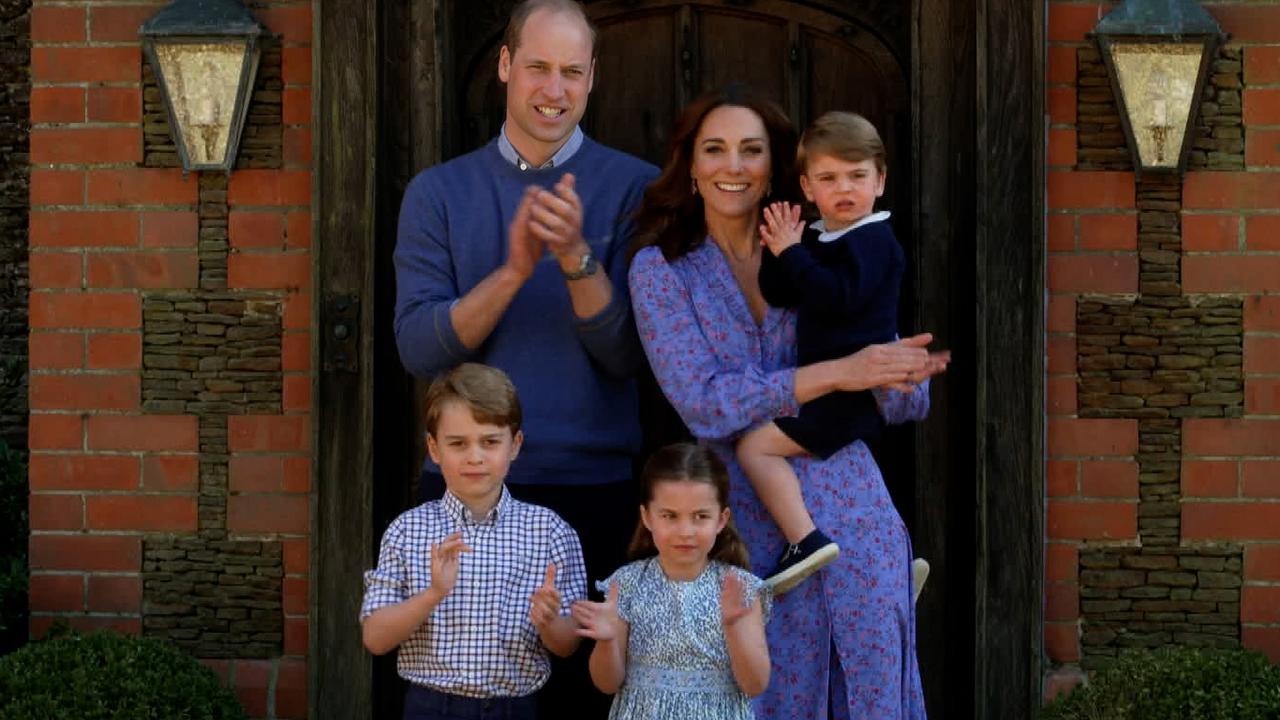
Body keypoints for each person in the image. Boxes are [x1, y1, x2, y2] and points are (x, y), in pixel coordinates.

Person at [628, 84, 948, 720]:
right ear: (690, 165)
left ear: (774, 168)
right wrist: (836, 373)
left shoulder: (822, 247)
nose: (733, 166)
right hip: (745, 524)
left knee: (871, 689)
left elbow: (893, 387)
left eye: (751, 150)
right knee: (768, 694)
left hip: (855, 509)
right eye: (714, 150)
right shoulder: (662, 271)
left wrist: (901, 376)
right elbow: (705, 404)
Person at [392, 0, 656, 715]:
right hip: (464, 498)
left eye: (572, 71)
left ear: (594, 78)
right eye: (538, 66)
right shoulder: (439, 193)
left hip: (593, 494)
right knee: (464, 697)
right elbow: (419, 349)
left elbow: (631, 354)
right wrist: (511, 271)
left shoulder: (637, 188)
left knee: (581, 703)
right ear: (506, 66)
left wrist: (574, 259)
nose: (554, 88)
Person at [736, 111, 904, 594]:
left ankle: (804, 540)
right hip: (828, 389)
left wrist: (794, 252)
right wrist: (780, 247)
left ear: (881, 180)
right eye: (829, 178)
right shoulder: (822, 237)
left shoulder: (874, 240)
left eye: (857, 176)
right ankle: (887, 566)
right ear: (808, 188)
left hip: (849, 395)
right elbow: (782, 292)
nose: (844, 188)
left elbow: (836, 297)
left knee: (755, 447)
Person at [360, 363, 588, 720]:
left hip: (515, 708)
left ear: (515, 445)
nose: (475, 456)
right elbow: (375, 638)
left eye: (490, 441)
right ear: (434, 449)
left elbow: (568, 645)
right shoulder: (408, 530)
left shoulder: (551, 532)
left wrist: (548, 622)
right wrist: (432, 594)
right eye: (458, 443)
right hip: (430, 706)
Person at [573, 443, 770, 720]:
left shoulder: (740, 588)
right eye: (670, 516)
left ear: (721, 519)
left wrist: (734, 627)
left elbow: (755, 684)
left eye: (700, 516)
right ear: (647, 517)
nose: (685, 531)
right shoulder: (626, 584)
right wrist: (607, 642)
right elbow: (606, 684)